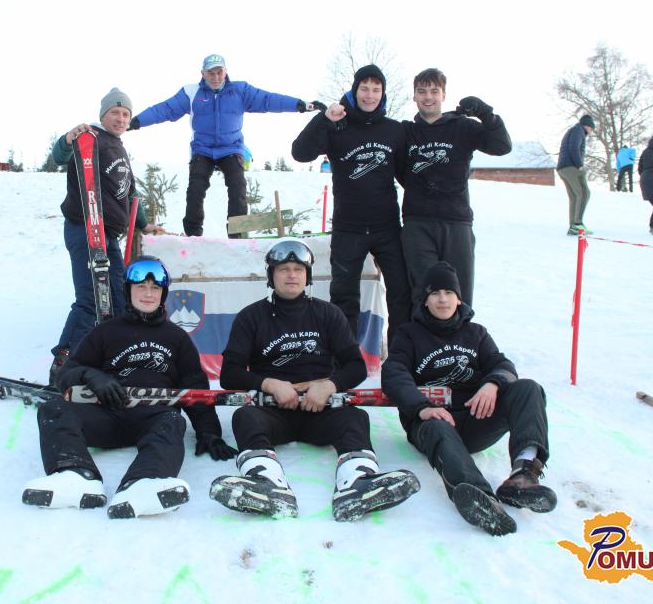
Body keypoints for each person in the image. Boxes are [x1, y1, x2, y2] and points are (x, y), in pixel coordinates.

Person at [209, 239, 419, 521]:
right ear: (271, 275)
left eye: (298, 269)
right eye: (283, 269)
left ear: (307, 275)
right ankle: (266, 484)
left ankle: (357, 484)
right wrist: (270, 384)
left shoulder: (328, 314)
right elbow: (229, 374)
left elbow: (356, 367)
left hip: (320, 408)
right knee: (245, 417)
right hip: (272, 410)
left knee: (355, 418)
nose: (291, 275)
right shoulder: (251, 317)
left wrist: (329, 385)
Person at [23, 256, 236, 518]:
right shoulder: (105, 332)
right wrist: (92, 376)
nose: (148, 294)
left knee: (172, 421)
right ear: (128, 290)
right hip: (106, 414)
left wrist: (209, 432)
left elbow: (194, 387)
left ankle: (144, 482)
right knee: (54, 409)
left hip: (153, 417)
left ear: (163, 294)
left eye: (155, 288)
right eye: (141, 287)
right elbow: (66, 375)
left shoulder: (176, 338)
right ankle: (75, 475)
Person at [382, 261, 555, 536]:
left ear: (459, 298)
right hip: (431, 423)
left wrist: (492, 384)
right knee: (438, 426)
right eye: (435, 293)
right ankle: (480, 498)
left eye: (448, 292)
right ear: (425, 300)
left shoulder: (476, 333)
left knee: (528, 388)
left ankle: (522, 478)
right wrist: (422, 408)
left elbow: (503, 365)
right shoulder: (408, 334)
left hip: (475, 418)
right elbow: (394, 374)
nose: (442, 299)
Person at [131, 54, 324, 238]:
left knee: (237, 186)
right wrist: (137, 121)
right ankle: (193, 235)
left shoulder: (240, 90)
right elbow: (165, 109)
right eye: (211, 73)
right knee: (196, 188)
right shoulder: (191, 92)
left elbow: (268, 99)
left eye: (219, 72)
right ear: (202, 73)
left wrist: (300, 105)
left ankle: (237, 233)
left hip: (231, 148)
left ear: (225, 72)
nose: (215, 77)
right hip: (203, 149)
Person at [48, 88, 164, 385]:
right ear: (103, 115)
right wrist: (67, 139)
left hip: (108, 236)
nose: (121, 118)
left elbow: (130, 192)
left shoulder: (119, 148)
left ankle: (115, 361)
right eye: (115, 112)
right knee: (90, 299)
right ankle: (64, 364)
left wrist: (144, 224)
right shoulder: (90, 138)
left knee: (120, 297)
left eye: (125, 114)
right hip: (84, 229)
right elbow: (59, 156)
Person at [291, 64, 411, 346]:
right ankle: (346, 360)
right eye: (364, 89)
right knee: (344, 297)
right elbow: (300, 153)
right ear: (354, 91)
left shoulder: (394, 131)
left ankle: (400, 358)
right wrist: (324, 119)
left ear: (383, 94)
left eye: (376, 90)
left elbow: (409, 177)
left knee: (401, 294)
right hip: (349, 228)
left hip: (387, 228)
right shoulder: (338, 126)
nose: (370, 95)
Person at [400, 68, 512, 308]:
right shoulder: (406, 132)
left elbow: (502, 146)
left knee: (459, 294)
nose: (428, 97)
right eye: (422, 91)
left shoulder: (463, 127)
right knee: (423, 294)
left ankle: (462, 334)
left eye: (434, 91)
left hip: (456, 221)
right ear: (414, 96)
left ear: (443, 95)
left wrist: (486, 113)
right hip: (418, 223)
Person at [557, 115, 597, 235]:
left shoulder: (574, 130)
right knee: (584, 193)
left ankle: (573, 227)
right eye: (591, 129)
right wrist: (580, 165)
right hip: (571, 167)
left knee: (574, 196)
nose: (591, 132)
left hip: (563, 168)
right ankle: (577, 224)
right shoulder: (578, 130)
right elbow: (573, 147)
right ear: (587, 126)